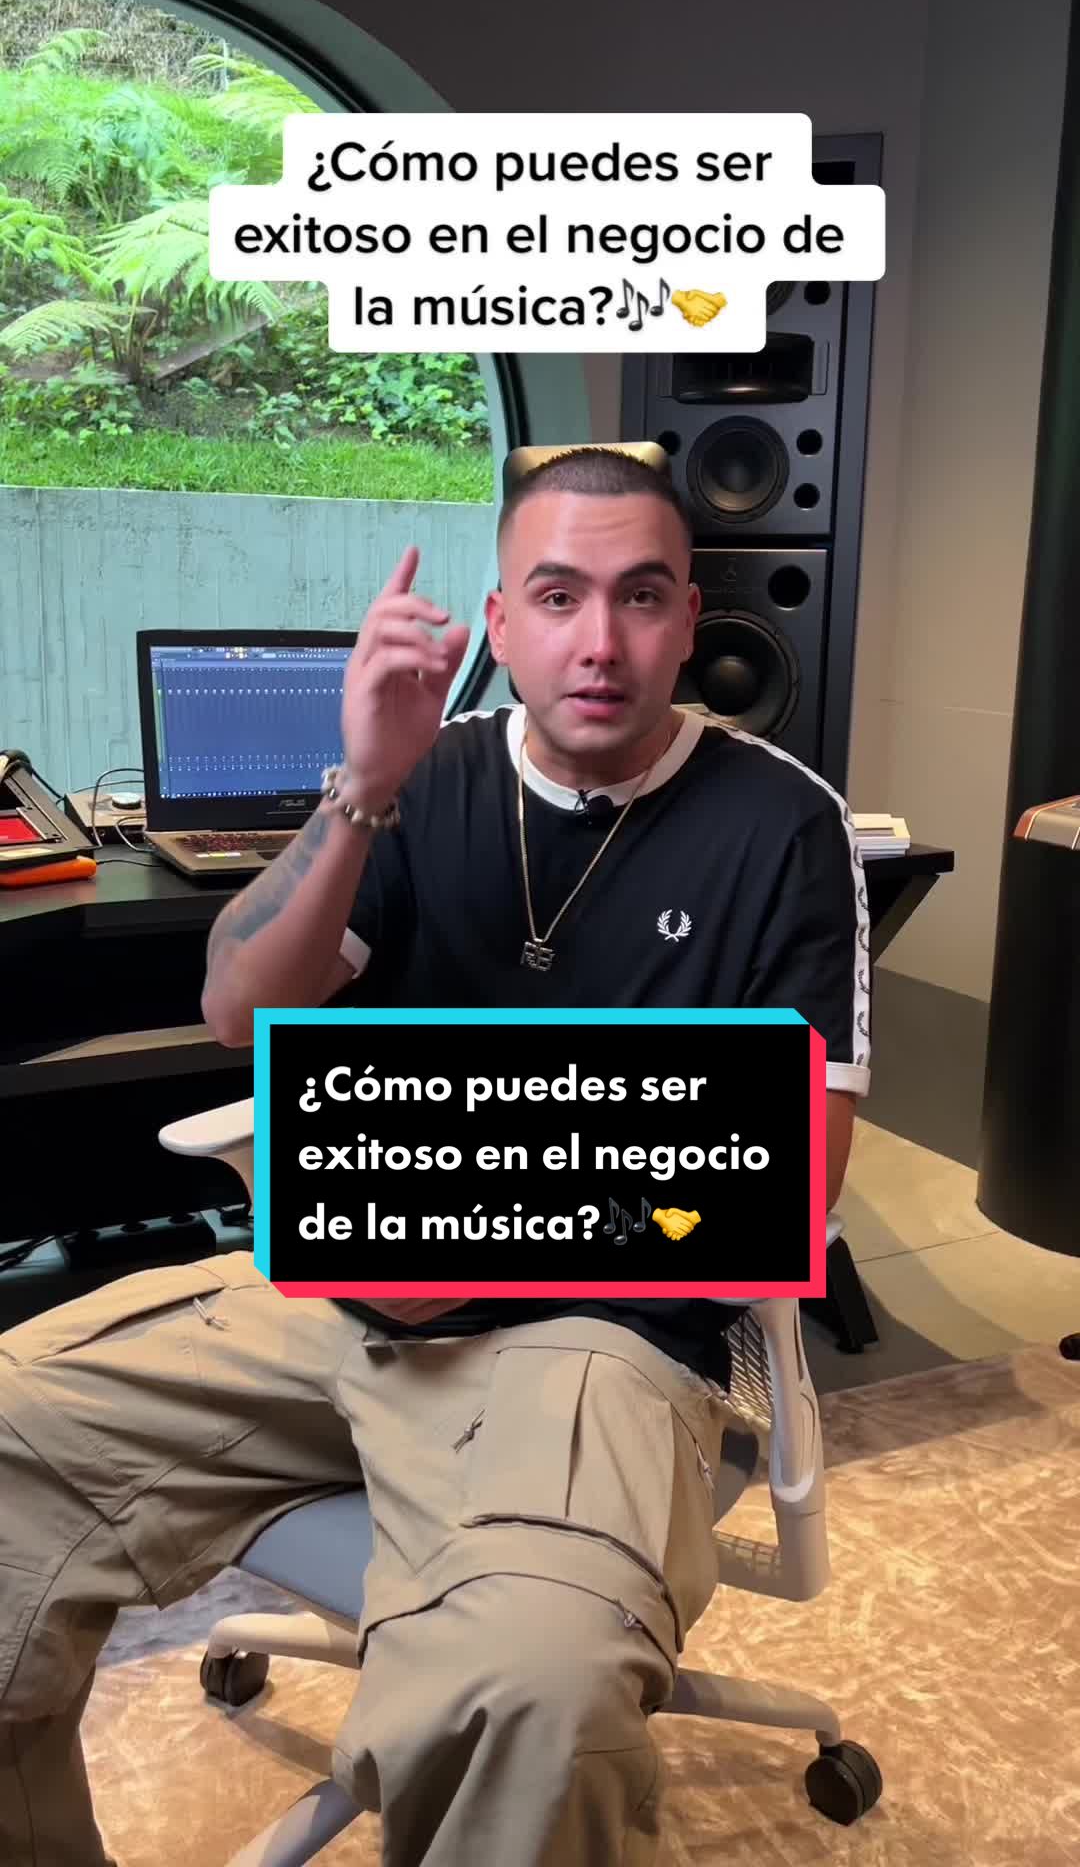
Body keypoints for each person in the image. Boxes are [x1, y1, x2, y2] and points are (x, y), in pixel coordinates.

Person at [0, 447, 869, 1867]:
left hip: (597, 1333)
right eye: (560, 596)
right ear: (502, 624)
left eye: (643, 596)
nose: (601, 641)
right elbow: (241, 1010)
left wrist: (481, 1245)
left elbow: (789, 1173)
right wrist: (360, 790)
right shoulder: (427, 780)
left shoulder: (782, 824)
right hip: (327, 1301)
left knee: (534, 1688)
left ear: (688, 621)